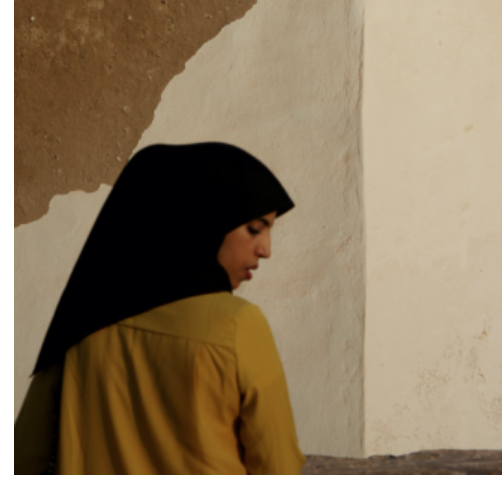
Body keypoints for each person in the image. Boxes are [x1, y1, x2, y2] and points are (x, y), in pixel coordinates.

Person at [14, 143, 302, 474]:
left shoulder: (82, 320)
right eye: (254, 228)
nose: (265, 249)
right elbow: (278, 466)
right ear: (203, 218)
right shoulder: (238, 325)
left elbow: (25, 459)